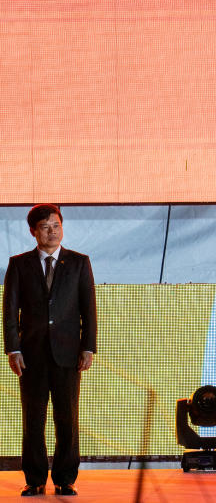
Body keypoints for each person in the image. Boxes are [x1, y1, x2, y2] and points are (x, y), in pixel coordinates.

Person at [3, 204, 97, 497]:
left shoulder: (80, 263)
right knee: (33, 417)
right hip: (30, 356)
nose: (52, 231)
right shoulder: (19, 264)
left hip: (69, 354)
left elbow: (88, 310)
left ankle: (65, 478)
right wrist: (12, 350)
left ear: (62, 227)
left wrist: (88, 347)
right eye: (45, 227)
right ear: (33, 231)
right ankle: (34, 478)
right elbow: (10, 312)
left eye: (56, 225)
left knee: (67, 416)